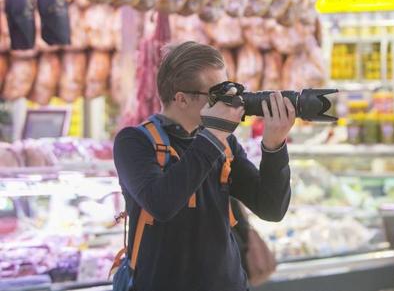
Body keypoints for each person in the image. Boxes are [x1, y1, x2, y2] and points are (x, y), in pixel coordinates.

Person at [113, 41, 295, 291]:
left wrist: (274, 145)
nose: (229, 104)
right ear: (182, 99)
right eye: (217, 96)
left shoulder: (225, 142)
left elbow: (271, 207)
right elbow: (161, 203)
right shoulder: (134, 141)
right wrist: (213, 135)